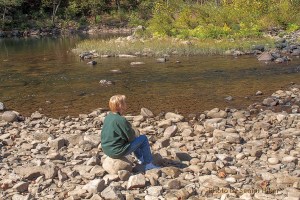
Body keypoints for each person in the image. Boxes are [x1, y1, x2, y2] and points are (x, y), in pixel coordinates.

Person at [101, 94, 159, 171]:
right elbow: (131, 138)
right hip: (116, 151)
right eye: (124, 102)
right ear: (120, 106)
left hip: (106, 149)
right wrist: (134, 132)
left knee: (135, 140)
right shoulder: (121, 120)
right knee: (143, 139)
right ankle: (148, 164)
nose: (126, 104)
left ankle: (141, 158)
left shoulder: (108, 117)